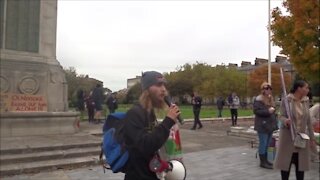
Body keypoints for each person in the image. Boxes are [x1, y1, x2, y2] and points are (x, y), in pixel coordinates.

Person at [123, 71, 180, 180]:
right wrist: (168, 121)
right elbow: (145, 146)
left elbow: (154, 144)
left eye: (164, 85)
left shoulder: (149, 113)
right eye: (158, 85)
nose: (163, 89)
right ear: (147, 90)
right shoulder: (134, 114)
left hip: (151, 174)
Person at [274, 80, 317, 180]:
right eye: (306, 87)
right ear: (299, 88)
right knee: (286, 166)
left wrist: (312, 138)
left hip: (301, 138)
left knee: (300, 167)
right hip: (288, 138)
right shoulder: (287, 100)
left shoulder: (306, 101)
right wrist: (285, 121)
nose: (308, 89)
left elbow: (308, 121)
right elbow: (281, 116)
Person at [253, 82, 278, 169]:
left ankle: (266, 160)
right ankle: (262, 162)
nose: (268, 91)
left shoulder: (271, 99)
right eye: (266, 89)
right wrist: (268, 111)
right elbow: (256, 111)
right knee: (263, 143)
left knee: (267, 143)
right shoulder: (258, 100)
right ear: (262, 90)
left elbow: (274, 110)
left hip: (270, 125)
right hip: (262, 125)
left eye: (269, 89)